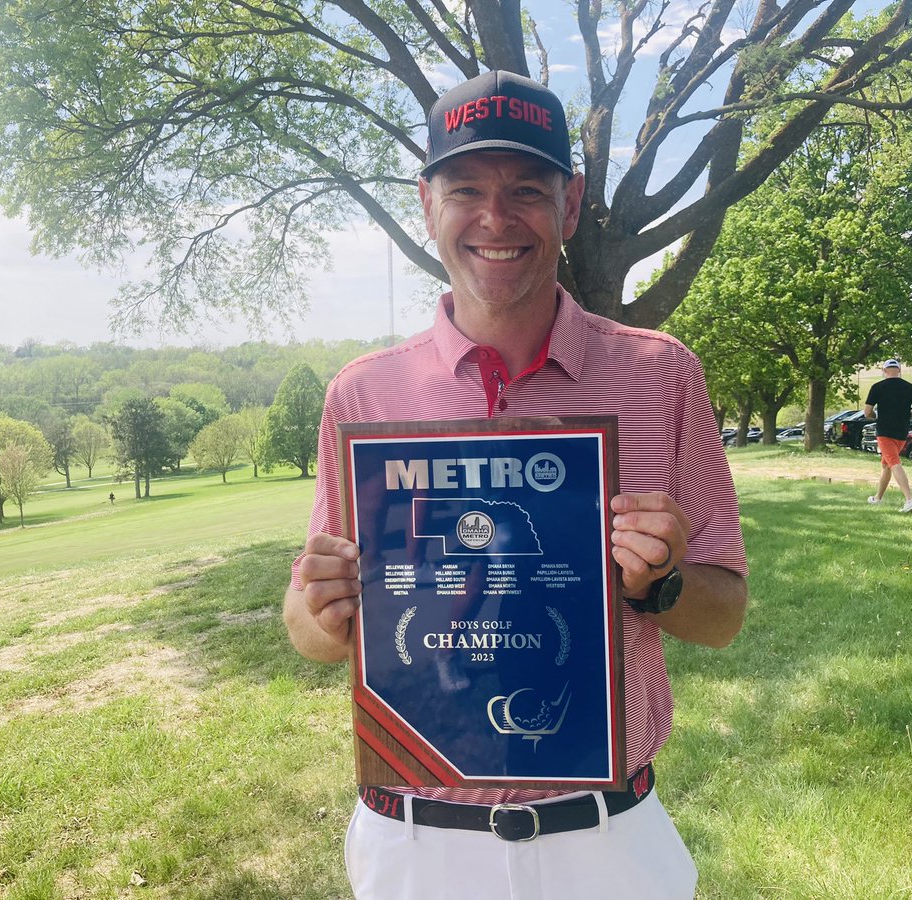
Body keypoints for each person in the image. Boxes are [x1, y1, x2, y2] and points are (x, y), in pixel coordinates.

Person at [283, 70, 748, 900]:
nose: (496, 219)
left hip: (605, 841)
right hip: (414, 844)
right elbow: (313, 631)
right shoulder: (361, 395)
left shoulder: (660, 375)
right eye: (466, 189)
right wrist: (319, 611)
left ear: (568, 208)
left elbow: (723, 618)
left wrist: (662, 582)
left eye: (526, 190)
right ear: (427, 204)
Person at [864, 358, 912, 512]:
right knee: (886, 465)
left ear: (884, 371)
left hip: (884, 431)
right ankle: (877, 498)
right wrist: (907, 416)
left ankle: (910, 500)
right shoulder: (909, 387)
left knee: (894, 464)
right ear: (899, 371)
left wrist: (875, 416)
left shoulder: (877, 387)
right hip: (902, 432)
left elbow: (867, 412)